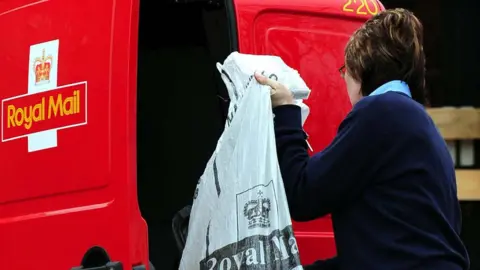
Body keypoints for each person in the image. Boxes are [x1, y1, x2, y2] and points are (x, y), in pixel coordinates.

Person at [254, 8, 470, 270]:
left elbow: (303, 194)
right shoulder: (420, 124)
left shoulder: (380, 112)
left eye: (344, 69)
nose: (343, 77)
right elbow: (384, 248)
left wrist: (286, 111)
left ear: (359, 69)